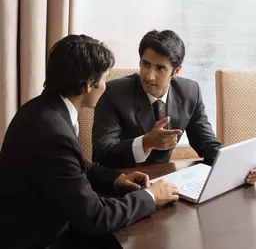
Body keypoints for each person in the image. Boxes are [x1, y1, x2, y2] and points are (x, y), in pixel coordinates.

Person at [0, 34, 178, 249]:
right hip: (40, 239)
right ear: (87, 86)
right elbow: (95, 218)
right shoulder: (52, 132)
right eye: (104, 79)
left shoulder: (41, 109)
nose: (106, 85)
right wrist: (150, 196)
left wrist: (116, 179)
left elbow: (73, 165)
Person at [92, 29, 256, 184]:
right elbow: (101, 154)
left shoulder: (190, 92)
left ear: (176, 71)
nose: (150, 76)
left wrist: (239, 166)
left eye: (160, 68)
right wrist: (145, 143)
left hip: (165, 181)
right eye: (146, 64)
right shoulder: (114, 92)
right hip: (122, 184)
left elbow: (206, 144)